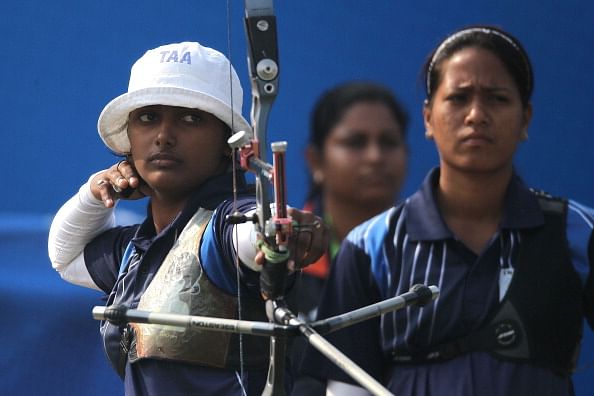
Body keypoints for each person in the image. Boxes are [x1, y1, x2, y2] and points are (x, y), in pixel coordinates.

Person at [300, 25, 594, 396]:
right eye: (458, 98)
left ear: (526, 119)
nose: (476, 115)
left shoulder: (577, 232)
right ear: (428, 118)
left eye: (498, 98)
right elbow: (347, 390)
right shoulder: (369, 247)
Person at [48, 41, 328, 396]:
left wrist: (276, 231)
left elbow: (250, 230)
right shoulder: (139, 248)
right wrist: (94, 191)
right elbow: (66, 256)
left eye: (191, 118)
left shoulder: (225, 225)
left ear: (229, 145)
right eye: (148, 117)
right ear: (129, 140)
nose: (164, 136)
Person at [288, 82, 409, 395]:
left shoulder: (427, 258)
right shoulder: (280, 258)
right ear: (316, 160)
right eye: (356, 142)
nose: (375, 156)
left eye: (388, 142)